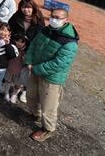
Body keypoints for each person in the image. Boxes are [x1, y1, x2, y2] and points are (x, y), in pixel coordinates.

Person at [24, 8, 78, 142]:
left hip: (52, 78)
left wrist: (37, 68)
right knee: (31, 95)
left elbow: (60, 63)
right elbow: (34, 45)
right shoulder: (45, 30)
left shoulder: (69, 41)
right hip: (35, 69)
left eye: (58, 18)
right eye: (52, 16)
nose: (54, 19)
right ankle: (34, 114)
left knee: (48, 105)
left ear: (66, 20)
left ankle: (48, 129)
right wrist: (29, 60)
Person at [8, 0, 45, 103]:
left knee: (26, 71)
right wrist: (13, 43)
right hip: (18, 46)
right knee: (15, 67)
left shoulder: (38, 19)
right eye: (23, 7)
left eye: (28, 7)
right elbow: (9, 30)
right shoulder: (16, 17)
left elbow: (41, 36)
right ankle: (10, 86)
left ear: (33, 8)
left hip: (30, 49)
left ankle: (23, 91)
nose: (26, 10)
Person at [2, 34, 29, 104]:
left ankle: (14, 95)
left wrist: (25, 59)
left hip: (19, 71)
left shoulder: (25, 52)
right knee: (8, 81)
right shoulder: (12, 47)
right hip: (10, 68)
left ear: (25, 43)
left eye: (22, 42)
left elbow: (26, 62)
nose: (19, 43)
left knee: (18, 84)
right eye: (18, 41)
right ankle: (6, 93)